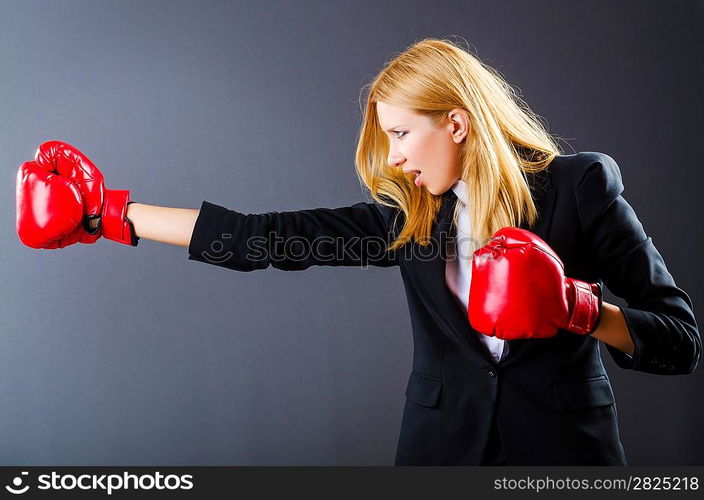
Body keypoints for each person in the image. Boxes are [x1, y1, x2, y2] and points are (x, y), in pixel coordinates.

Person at [15, 38, 700, 465]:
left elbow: (680, 340)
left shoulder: (579, 190)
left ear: (456, 123)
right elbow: (263, 239)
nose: (395, 159)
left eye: (404, 135)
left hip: (564, 460)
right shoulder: (410, 220)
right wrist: (109, 214)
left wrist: (582, 311)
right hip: (441, 458)